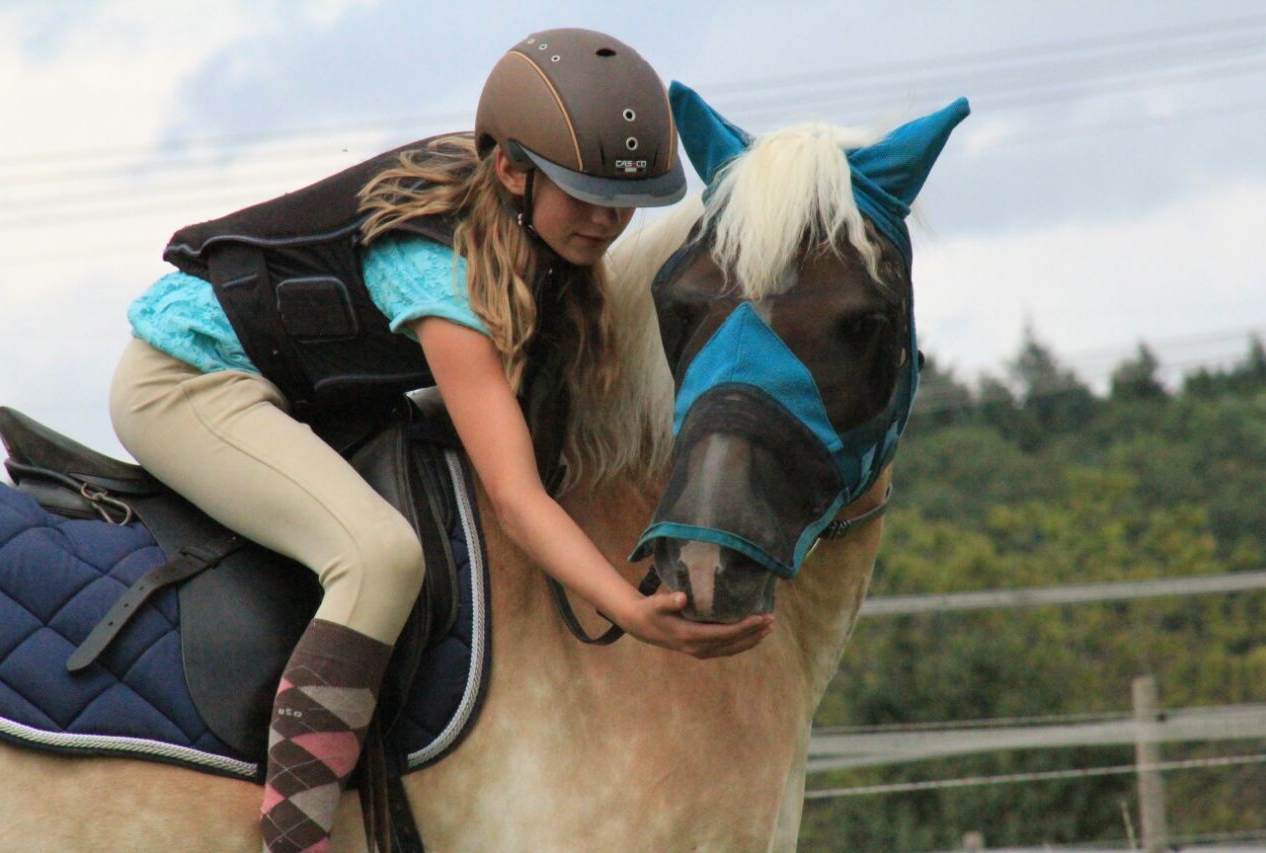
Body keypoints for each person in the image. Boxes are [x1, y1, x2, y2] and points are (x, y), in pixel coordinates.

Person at [108, 28, 772, 853]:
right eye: (585, 192)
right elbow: (516, 495)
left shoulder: (530, 231)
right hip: (186, 383)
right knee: (379, 556)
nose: (608, 220)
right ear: (511, 170)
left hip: (293, 392)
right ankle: (296, 834)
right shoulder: (436, 267)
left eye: (622, 199)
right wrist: (630, 609)